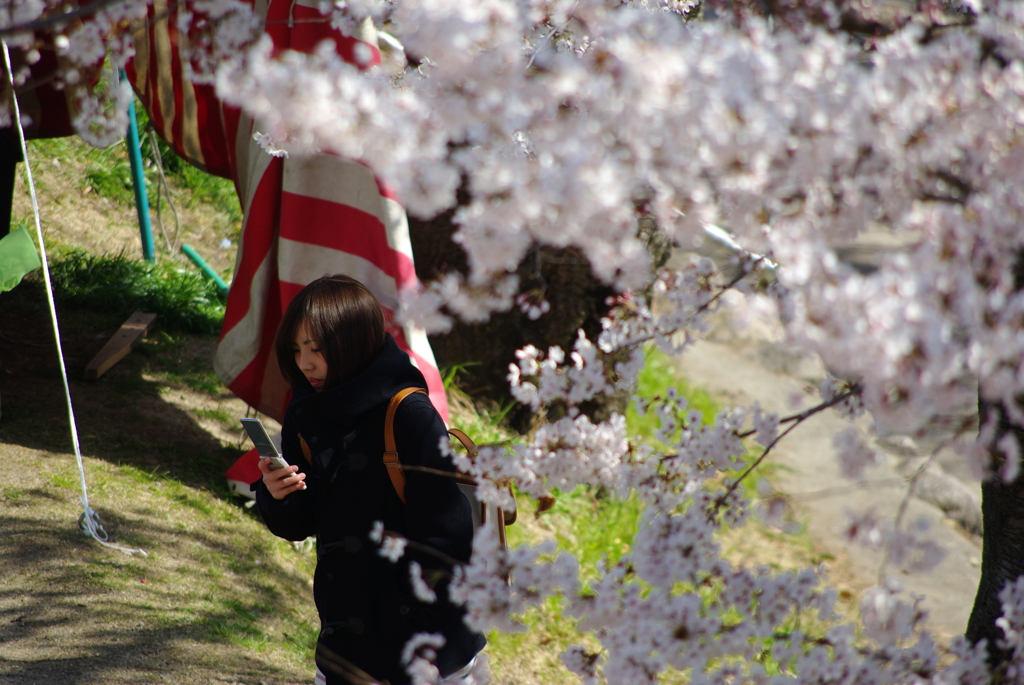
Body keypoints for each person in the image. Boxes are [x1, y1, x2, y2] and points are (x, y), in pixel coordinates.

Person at [254, 274, 486, 685]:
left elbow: (446, 541)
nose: (305, 363)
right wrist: (279, 495)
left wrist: (402, 620)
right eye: (296, 349)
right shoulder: (306, 411)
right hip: (345, 644)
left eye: (317, 349)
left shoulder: (408, 414)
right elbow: (299, 524)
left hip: (427, 647)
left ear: (352, 342)